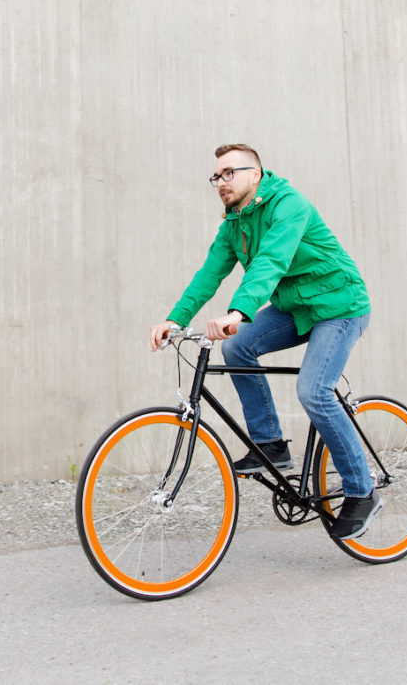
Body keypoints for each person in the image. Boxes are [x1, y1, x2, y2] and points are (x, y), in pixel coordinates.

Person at [149, 143, 379, 540]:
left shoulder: (290, 205)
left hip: (339, 305)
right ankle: (270, 444)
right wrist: (174, 319)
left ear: (255, 174)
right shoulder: (234, 224)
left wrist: (238, 313)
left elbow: (272, 260)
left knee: (314, 391)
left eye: (229, 173)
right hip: (294, 307)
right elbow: (209, 274)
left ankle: (362, 490)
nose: (221, 182)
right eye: (216, 176)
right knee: (237, 348)